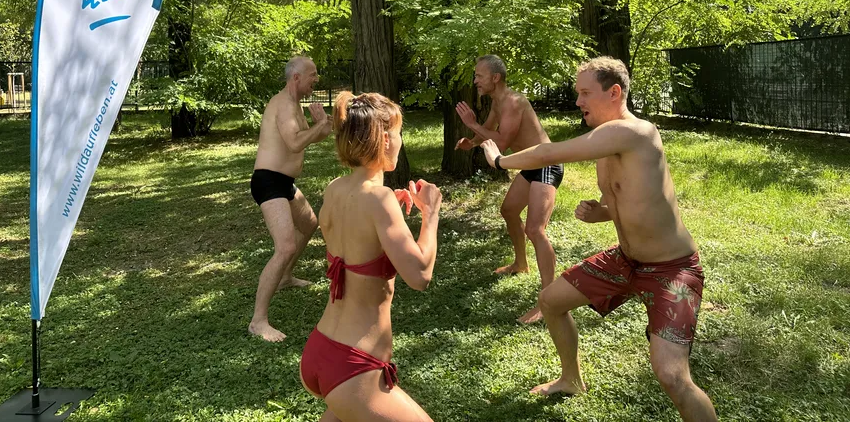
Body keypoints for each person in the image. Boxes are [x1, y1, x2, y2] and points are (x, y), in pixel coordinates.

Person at [480, 57, 717, 421]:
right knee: (551, 301)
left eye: (585, 93)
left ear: (615, 92)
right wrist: (602, 212)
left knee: (671, 375)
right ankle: (570, 379)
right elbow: (630, 199)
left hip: (671, 269)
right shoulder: (607, 146)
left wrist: (499, 162)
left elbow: (548, 153)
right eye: (578, 93)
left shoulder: (633, 132)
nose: (578, 101)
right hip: (626, 259)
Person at [300, 91, 442, 421]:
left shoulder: (335, 188)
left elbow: (355, 240)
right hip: (354, 365)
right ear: (382, 139)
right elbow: (420, 275)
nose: (400, 140)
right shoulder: (379, 201)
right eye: (397, 132)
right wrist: (431, 214)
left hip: (322, 348)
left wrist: (387, 211)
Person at [455, 55, 563, 323]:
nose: (475, 80)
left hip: (547, 163)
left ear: (495, 78)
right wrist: (472, 140)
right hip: (530, 164)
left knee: (535, 229)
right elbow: (489, 130)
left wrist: (472, 125)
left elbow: (502, 142)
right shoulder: (496, 101)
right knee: (509, 210)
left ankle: (549, 301)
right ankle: (520, 264)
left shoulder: (513, 102)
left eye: (479, 76)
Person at [248, 56, 332, 342]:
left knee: (309, 224)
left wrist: (321, 125)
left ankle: (285, 277)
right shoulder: (282, 104)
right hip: (268, 181)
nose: (316, 79)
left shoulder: (295, 105)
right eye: (313, 74)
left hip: (285, 183)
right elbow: (296, 142)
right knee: (284, 247)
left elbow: (305, 138)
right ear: (296, 77)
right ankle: (258, 321)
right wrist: (318, 127)